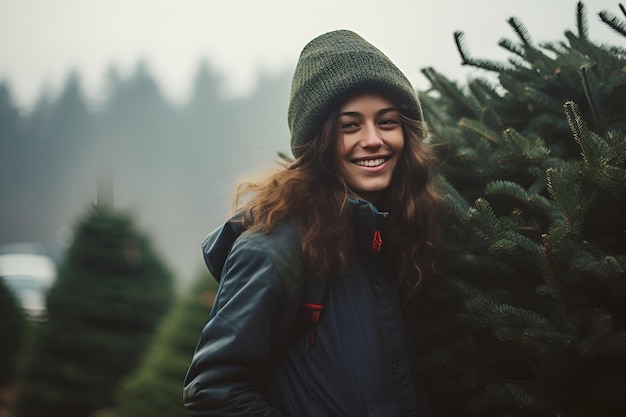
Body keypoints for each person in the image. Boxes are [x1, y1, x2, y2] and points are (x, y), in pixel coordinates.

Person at [183, 29, 440, 417]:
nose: (373, 140)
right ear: (318, 142)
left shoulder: (399, 231)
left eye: (386, 122)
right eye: (349, 125)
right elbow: (214, 390)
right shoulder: (275, 247)